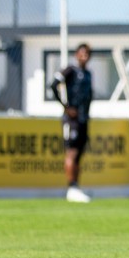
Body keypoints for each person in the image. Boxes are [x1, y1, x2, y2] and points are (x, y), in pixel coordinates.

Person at [50, 43, 93, 203]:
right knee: (72, 152)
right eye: (82, 53)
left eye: (87, 54)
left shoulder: (88, 73)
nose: (85, 56)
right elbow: (53, 84)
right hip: (72, 120)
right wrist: (66, 107)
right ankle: (71, 187)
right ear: (76, 55)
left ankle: (76, 188)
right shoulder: (70, 70)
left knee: (80, 154)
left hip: (83, 119)